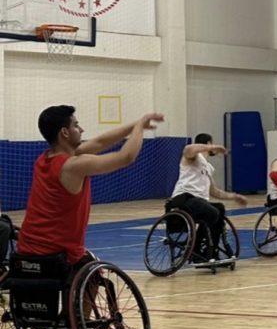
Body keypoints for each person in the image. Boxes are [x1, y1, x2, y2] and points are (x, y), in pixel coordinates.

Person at [17, 106, 162, 279]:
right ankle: (77, 307)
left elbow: (99, 142)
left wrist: (137, 123)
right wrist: (139, 129)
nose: (82, 129)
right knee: (93, 278)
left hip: (26, 246)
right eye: (76, 125)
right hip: (57, 251)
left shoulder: (44, 159)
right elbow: (126, 157)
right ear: (64, 132)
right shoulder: (73, 165)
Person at [166, 133, 247, 260]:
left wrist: (235, 196)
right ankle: (195, 249)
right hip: (183, 198)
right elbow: (188, 149)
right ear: (208, 143)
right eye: (211, 144)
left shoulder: (208, 167)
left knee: (219, 208)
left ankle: (211, 249)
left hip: (198, 203)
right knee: (211, 212)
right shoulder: (193, 156)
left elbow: (214, 191)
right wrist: (212, 147)